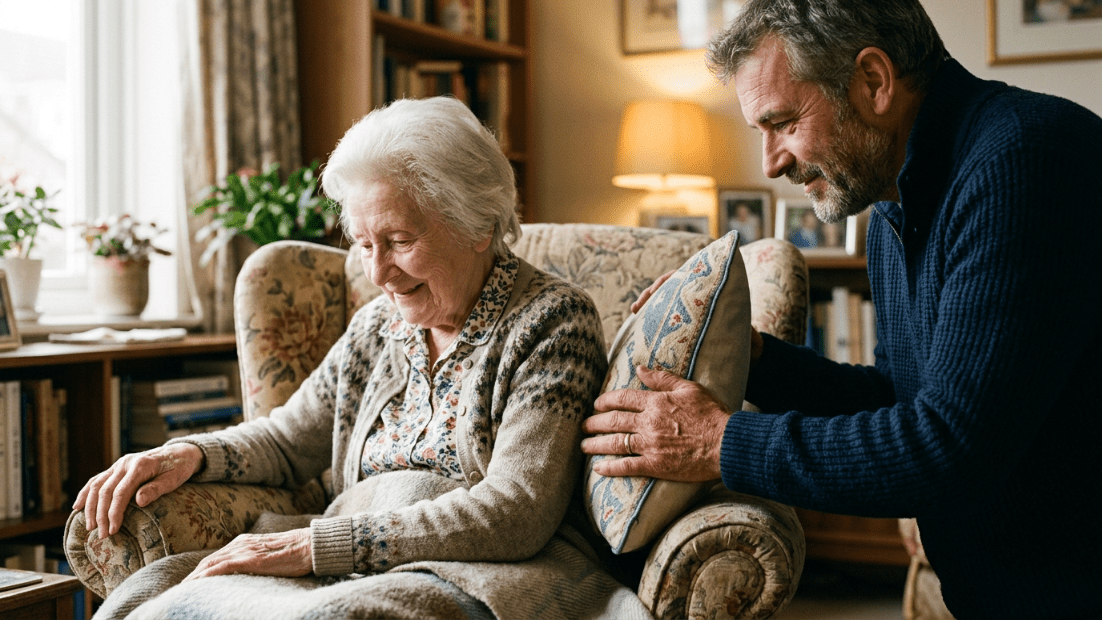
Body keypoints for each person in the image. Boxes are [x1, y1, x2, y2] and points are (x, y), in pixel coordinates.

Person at [580, 0, 1102, 617]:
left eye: (783, 123)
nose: (771, 162)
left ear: (874, 81)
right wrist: (757, 360)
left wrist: (720, 444)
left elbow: (953, 448)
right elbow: (902, 397)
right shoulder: (892, 209)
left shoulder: (1027, 159)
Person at [76, 97, 651, 620]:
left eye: (400, 242)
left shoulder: (553, 322)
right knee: (151, 604)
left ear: (479, 224)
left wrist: (314, 547)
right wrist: (187, 455)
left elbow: (515, 510)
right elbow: (285, 441)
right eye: (364, 243)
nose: (378, 274)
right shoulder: (378, 325)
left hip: (484, 572)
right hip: (345, 559)